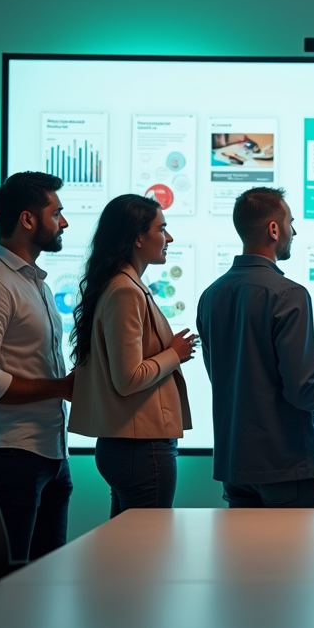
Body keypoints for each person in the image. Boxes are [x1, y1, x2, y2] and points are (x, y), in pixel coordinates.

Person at [197, 187, 314, 508]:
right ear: (274, 229)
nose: (294, 230)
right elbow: (301, 392)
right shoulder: (289, 294)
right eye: (290, 222)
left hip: (236, 467)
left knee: (246, 560)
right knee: (298, 560)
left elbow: (241, 379)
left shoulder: (211, 295)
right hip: (288, 467)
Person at [0, 171, 74, 562]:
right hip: (12, 457)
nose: (64, 222)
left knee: (45, 583)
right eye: (56, 213)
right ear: (27, 220)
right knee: (9, 587)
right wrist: (61, 387)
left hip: (52, 455)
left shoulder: (35, 284)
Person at [68, 194, 196, 518]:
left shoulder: (121, 284)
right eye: (161, 229)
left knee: (127, 555)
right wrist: (173, 355)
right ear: (138, 237)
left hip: (130, 445)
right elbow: (128, 379)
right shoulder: (125, 290)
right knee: (146, 557)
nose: (168, 238)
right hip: (142, 448)